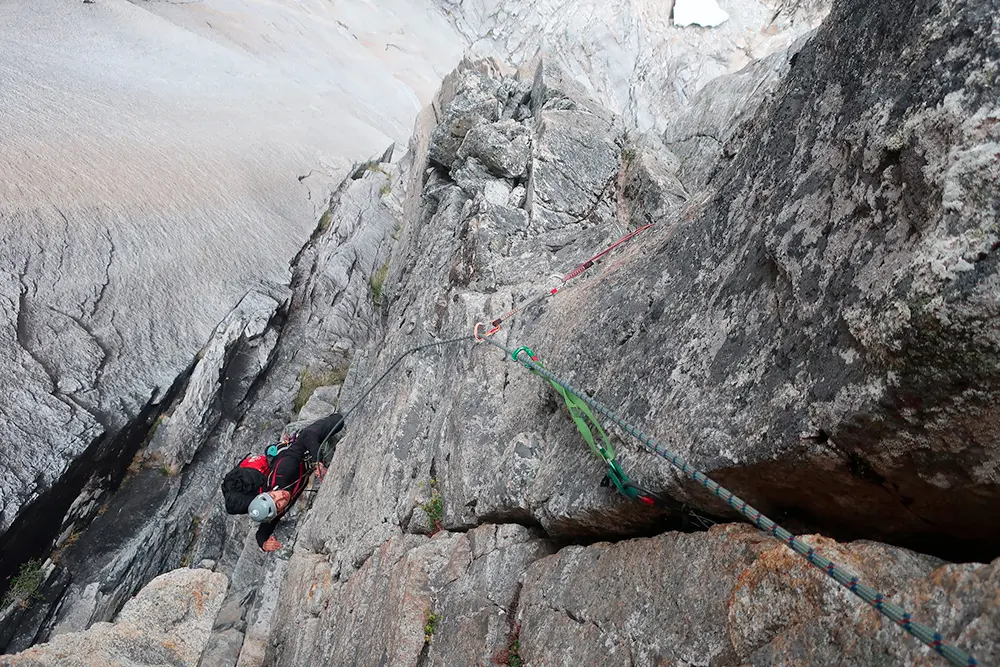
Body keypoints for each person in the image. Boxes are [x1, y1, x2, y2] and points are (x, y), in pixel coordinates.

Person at [222, 412, 345, 552]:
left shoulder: (283, 473)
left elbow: (306, 436)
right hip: (296, 459)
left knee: (338, 421)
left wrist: (317, 460)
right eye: (278, 504)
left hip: (295, 446)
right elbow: (263, 531)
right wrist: (263, 543)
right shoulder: (273, 510)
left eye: (274, 496)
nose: (281, 496)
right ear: (277, 512)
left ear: (269, 492)